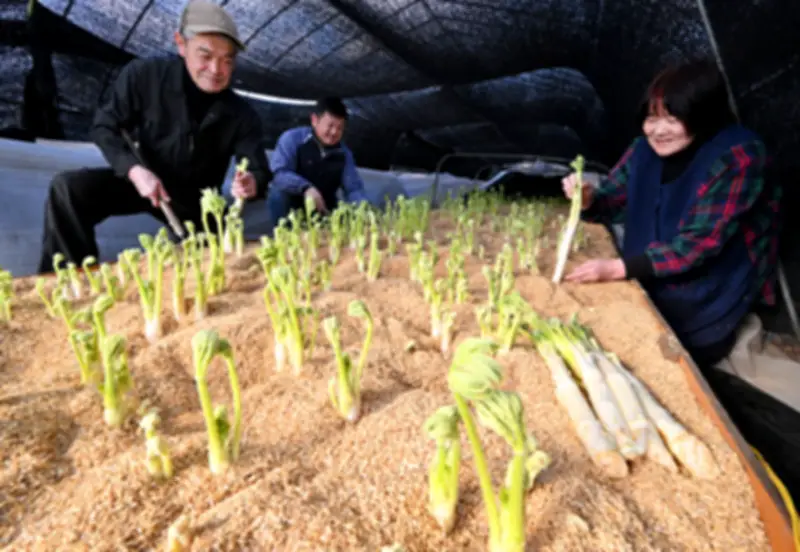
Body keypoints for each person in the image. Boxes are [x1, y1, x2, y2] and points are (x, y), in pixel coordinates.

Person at [561, 58, 782, 367]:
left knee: (689, 350)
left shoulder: (738, 157)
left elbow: (698, 245)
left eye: (673, 118)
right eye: (651, 118)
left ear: (704, 116)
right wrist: (587, 199)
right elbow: (610, 200)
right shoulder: (643, 149)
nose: (658, 130)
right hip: (648, 274)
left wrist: (615, 268)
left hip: (708, 289)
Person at [36, 0, 272, 273]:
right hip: (146, 181)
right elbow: (105, 125)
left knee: (207, 267)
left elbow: (258, 169)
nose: (216, 70)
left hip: (195, 199)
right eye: (205, 56)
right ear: (181, 45)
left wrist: (251, 182)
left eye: (227, 60)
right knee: (68, 189)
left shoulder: (242, 114)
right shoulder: (146, 76)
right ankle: (69, 280)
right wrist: (134, 171)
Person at [266, 97, 368, 233]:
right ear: (314, 120)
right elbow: (280, 173)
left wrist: (363, 209)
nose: (334, 132)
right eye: (330, 125)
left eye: (340, 128)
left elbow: (353, 188)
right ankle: (286, 236)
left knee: (348, 212)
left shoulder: (343, 153)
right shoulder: (292, 139)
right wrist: (306, 188)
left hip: (324, 206)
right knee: (277, 193)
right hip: (293, 203)